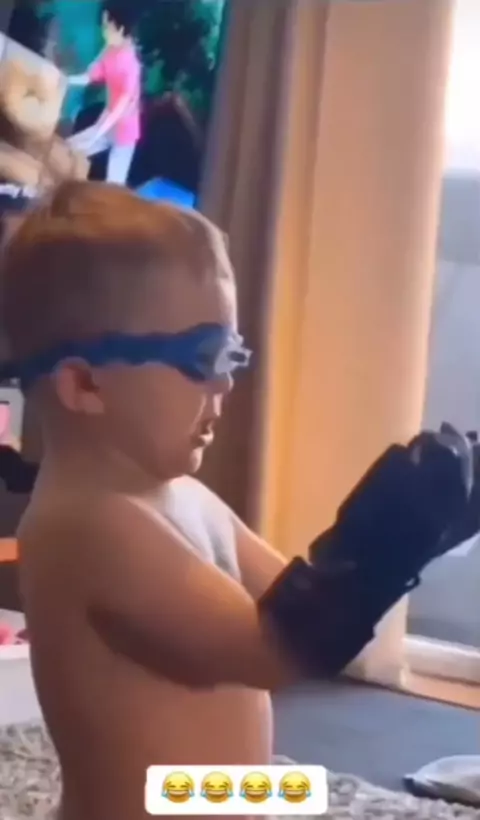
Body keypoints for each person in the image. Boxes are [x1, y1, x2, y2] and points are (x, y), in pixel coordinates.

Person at [0, 180, 302, 820]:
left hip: (211, 803)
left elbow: (300, 603)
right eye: (202, 356)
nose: (226, 382)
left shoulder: (187, 498)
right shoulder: (87, 525)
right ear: (85, 384)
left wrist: (419, 535)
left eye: (232, 355)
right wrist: (379, 553)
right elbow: (273, 652)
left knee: (302, 792)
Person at [67, 3, 141, 185]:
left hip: (123, 133)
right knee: (68, 148)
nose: (103, 31)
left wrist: (97, 134)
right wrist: (65, 80)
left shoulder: (131, 65)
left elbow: (120, 109)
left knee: (113, 184)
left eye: (107, 26)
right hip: (106, 122)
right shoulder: (109, 50)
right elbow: (90, 75)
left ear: (120, 29)